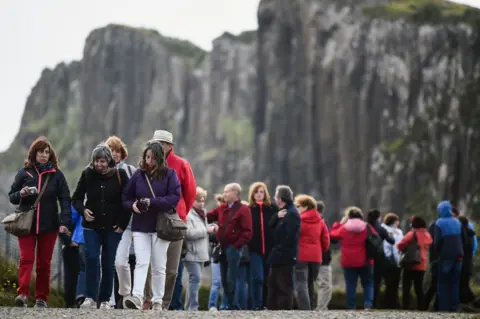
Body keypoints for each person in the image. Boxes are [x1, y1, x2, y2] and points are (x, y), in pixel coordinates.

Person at [8, 136, 71, 308]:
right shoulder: (24, 172)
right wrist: (21, 193)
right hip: (26, 224)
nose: (44, 155)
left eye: (47, 152)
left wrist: (65, 221)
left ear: (50, 155)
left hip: (49, 225)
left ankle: (41, 298)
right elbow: (12, 196)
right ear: (34, 153)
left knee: (44, 263)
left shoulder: (57, 175)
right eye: (40, 152)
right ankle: (22, 295)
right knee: (26, 259)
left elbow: (65, 199)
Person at [122, 142, 181, 310]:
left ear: (160, 158)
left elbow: (174, 198)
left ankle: (157, 300)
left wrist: (151, 202)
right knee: (141, 262)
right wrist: (132, 205)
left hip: (161, 227)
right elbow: (126, 197)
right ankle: (137, 297)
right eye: (147, 157)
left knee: (159, 265)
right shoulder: (138, 175)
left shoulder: (170, 174)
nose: (149, 161)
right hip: (140, 225)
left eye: (153, 158)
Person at [72, 143, 130, 309]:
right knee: (91, 259)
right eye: (96, 161)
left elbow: (127, 202)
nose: (99, 164)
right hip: (92, 226)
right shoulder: (87, 173)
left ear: (109, 161)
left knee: (108, 262)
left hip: (113, 228)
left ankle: (104, 300)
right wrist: (83, 211)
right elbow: (75, 198)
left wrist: (122, 224)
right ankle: (90, 297)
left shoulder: (121, 174)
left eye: (103, 161)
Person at [144, 130, 196, 310]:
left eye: (162, 142)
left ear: (169, 146)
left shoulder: (181, 164)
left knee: (172, 269)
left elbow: (190, 193)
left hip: (173, 221)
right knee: (149, 264)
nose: (159, 145)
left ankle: (163, 304)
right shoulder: (147, 162)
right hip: (150, 218)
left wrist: (180, 213)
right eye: (156, 142)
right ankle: (147, 300)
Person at [207, 183, 252, 310]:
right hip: (222, 248)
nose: (224, 194)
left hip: (234, 248)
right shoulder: (222, 208)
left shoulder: (244, 210)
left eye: (227, 192)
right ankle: (229, 305)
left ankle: (233, 306)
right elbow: (208, 216)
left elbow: (247, 232)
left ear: (236, 194)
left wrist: (236, 246)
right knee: (224, 279)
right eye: (224, 192)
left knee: (231, 277)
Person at [106, 136, 137, 309]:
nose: (115, 154)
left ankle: (126, 295)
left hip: (125, 224)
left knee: (120, 262)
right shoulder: (99, 170)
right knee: (107, 262)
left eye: (118, 151)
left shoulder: (131, 170)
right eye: (111, 150)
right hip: (105, 224)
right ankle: (108, 300)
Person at [330, 207, 376, 310]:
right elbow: (376, 239)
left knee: (350, 285)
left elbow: (332, 235)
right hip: (366, 261)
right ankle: (368, 304)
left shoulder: (344, 228)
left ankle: (351, 307)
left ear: (348, 217)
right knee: (368, 283)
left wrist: (340, 223)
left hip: (348, 261)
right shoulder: (367, 227)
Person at [266, 185, 300, 310]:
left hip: (284, 256)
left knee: (284, 286)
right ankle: (273, 310)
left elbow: (290, 237)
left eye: (275, 196)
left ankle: (284, 312)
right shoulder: (283, 212)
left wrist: (279, 250)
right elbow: (270, 226)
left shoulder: (291, 213)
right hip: (277, 255)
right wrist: (276, 216)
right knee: (273, 284)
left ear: (280, 198)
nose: (274, 199)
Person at [293, 194, 330, 310]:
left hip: (301, 256)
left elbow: (293, 237)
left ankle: (305, 310)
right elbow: (326, 240)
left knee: (301, 283)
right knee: (310, 283)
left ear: (306, 207)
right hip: (316, 257)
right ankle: (311, 308)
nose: (296, 208)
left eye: (298, 206)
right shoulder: (321, 221)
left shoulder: (298, 220)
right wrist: (320, 250)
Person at [247, 182, 277, 310]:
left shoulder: (272, 209)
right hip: (255, 250)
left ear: (265, 194)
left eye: (262, 192)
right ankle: (257, 305)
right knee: (257, 278)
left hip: (269, 250)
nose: (259, 194)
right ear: (252, 194)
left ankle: (265, 304)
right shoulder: (248, 210)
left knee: (267, 279)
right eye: (257, 192)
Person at [397, 216, 432, 310]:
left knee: (406, 287)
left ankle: (405, 306)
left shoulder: (412, 233)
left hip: (410, 263)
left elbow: (401, 244)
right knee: (419, 288)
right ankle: (421, 307)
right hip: (422, 264)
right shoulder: (427, 235)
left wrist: (403, 248)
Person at [183, 187, 210, 311]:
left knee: (194, 280)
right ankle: (193, 307)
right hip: (191, 252)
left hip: (201, 253)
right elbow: (188, 233)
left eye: (203, 200)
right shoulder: (188, 214)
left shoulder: (202, 214)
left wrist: (210, 227)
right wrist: (206, 230)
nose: (201, 203)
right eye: (198, 200)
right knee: (196, 278)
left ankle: (189, 307)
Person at [434, 200, 464, 312]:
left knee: (442, 282)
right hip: (459, 256)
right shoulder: (457, 222)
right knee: (455, 282)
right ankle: (454, 307)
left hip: (445, 256)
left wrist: (436, 254)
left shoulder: (439, 223)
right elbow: (463, 239)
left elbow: (437, 242)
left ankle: (443, 307)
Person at [61, 205, 86, 308]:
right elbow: (67, 221)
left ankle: (74, 302)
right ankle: (74, 301)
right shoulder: (78, 201)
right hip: (78, 243)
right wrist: (68, 241)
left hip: (77, 242)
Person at [381, 213, 403, 309]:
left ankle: (387, 303)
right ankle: (392, 303)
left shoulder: (382, 229)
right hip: (394, 260)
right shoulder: (396, 232)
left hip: (384, 259)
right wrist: (399, 261)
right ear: (394, 222)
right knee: (394, 283)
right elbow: (396, 247)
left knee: (388, 283)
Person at [315, 200, 333, 311]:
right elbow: (327, 241)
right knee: (326, 285)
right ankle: (321, 308)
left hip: (307, 257)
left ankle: (307, 307)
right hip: (323, 258)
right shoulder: (323, 222)